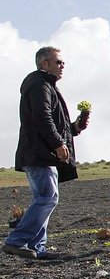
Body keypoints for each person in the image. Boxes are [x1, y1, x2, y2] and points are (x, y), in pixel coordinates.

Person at [3, 46, 89, 260]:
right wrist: (58, 143)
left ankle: (37, 248)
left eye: (63, 62)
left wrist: (75, 127)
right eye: (58, 62)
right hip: (39, 153)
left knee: (44, 198)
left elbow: (53, 122)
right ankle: (16, 240)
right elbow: (42, 117)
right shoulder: (39, 84)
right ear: (44, 63)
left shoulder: (45, 85)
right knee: (48, 197)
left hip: (41, 153)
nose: (62, 66)